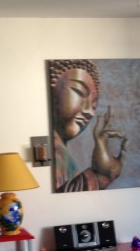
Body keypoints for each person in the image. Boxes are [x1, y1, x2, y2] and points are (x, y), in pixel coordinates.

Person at [48, 59, 128, 192]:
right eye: (79, 92)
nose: (90, 112)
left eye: (94, 106)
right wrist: (99, 177)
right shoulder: (48, 150)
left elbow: (67, 197)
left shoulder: (65, 157)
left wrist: (101, 177)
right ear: (51, 90)